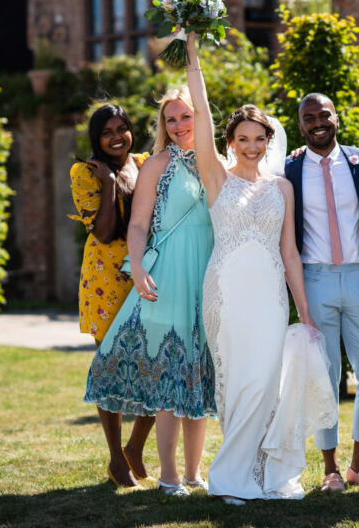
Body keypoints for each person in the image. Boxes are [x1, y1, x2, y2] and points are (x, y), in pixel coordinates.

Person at [185, 33, 337, 504]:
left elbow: (289, 253)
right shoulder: (216, 177)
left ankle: (260, 473)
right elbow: (202, 113)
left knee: (267, 383)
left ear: (269, 141)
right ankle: (231, 477)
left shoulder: (281, 188)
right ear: (229, 142)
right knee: (238, 384)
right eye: (242, 139)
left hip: (270, 298)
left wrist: (304, 313)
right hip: (226, 295)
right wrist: (192, 53)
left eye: (259, 139)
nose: (251, 147)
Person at [83, 88, 216, 496]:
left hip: (209, 273)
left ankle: (193, 472)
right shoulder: (156, 164)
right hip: (169, 275)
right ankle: (169, 476)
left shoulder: (219, 162)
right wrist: (138, 267)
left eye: (185, 116)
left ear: (200, 117)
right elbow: (139, 225)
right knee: (169, 372)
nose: (178, 125)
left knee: (198, 370)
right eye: (170, 119)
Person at [284, 93, 359, 492]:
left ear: (336, 118)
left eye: (324, 115)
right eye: (309, 117)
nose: (318, 122)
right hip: (315, 280)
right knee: (324, 377)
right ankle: (330, 468)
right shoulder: (289, 169)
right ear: (300, 126)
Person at [70, 104, 155, 488]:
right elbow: (103, 232)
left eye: (122, 128)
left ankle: (134, 448)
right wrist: (108, 182)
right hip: (105, 280)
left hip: (146, 274)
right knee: (112, 371)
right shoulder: (85, 173)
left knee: (155, 364)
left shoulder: (145, 163)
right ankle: (116, 459)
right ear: (96, 138)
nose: (117, 137)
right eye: (107, 132)